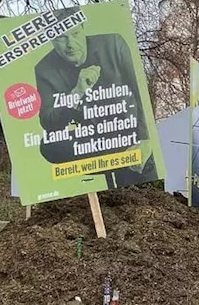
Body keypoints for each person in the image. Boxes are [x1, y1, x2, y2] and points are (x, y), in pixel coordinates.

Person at [34, 10, 157, 186]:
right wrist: (77, 92)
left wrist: (145, 138)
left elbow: (140, 92)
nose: (70, 44)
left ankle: (126, 168)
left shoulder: (113, 44)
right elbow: (48, 122)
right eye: (61, 38)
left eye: (75, 34)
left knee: (141, 173)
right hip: (91, 138)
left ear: (83, 29)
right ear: (52, 41)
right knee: (48, 145)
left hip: (126, 130)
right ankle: (115, 164)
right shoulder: (44, 69)